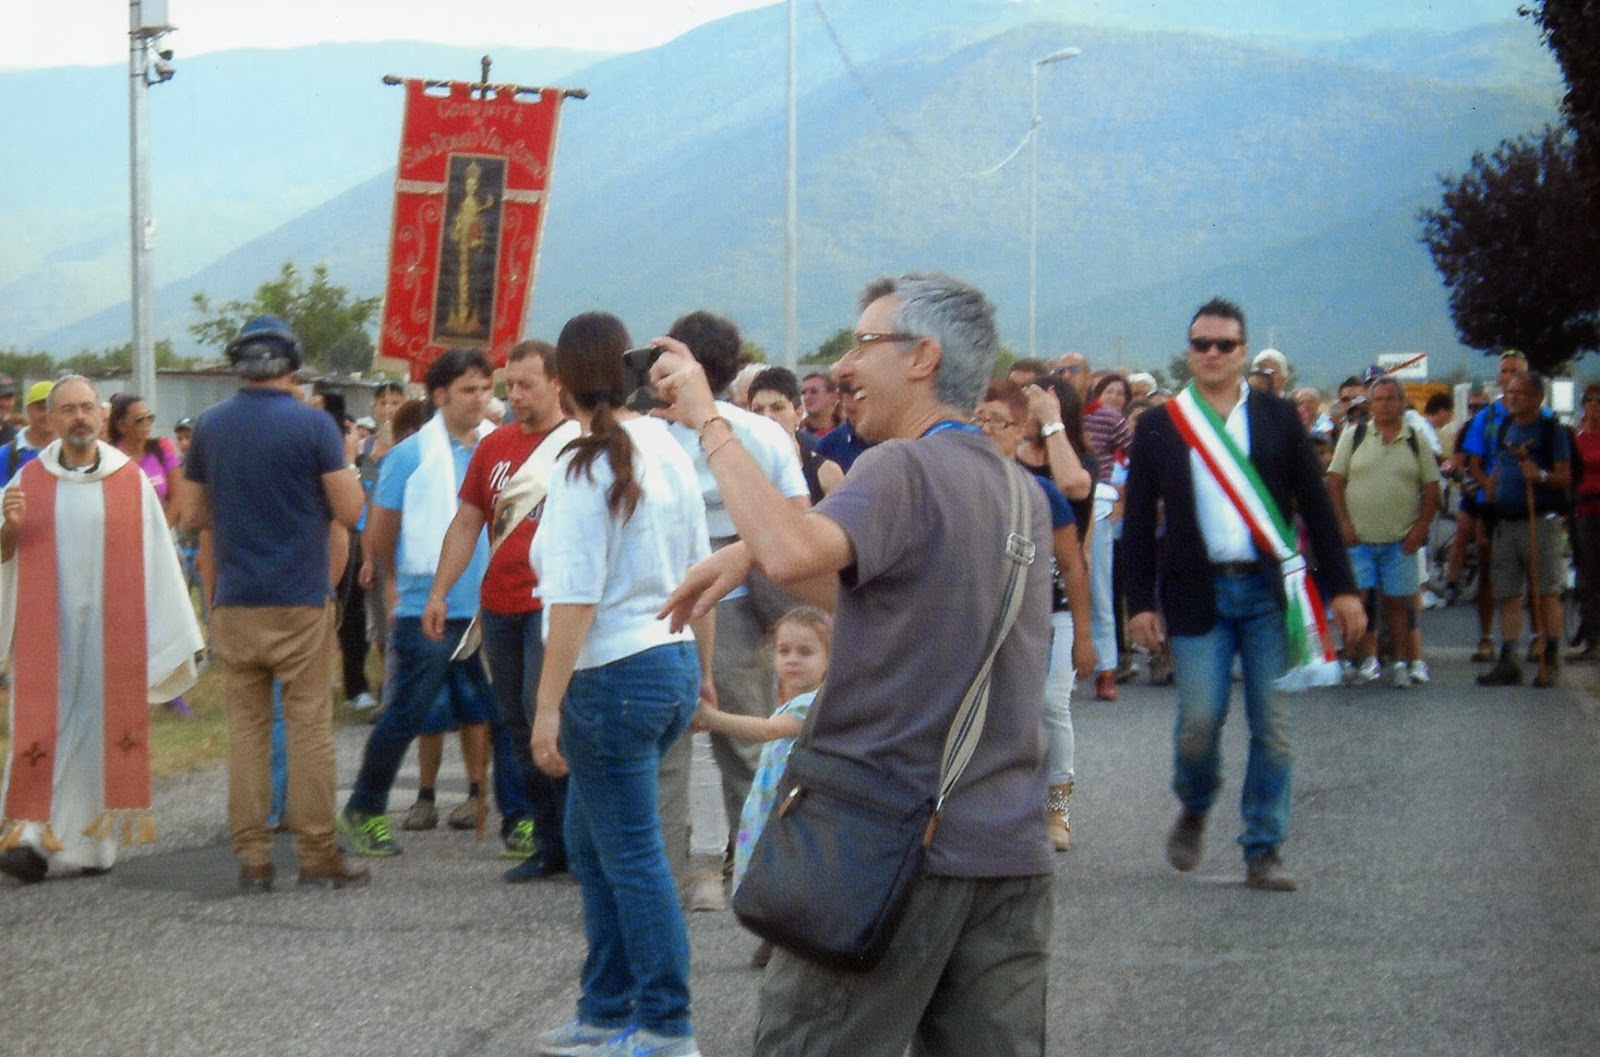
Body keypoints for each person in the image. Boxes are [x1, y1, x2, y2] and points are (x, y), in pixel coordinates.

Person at [653, 272, 1056, 1057]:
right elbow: (883, 597)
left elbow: (792, 551)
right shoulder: (1020, 493)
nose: (842, 365)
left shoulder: (902, 468)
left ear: (923, 358)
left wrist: (709, 417)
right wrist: (749, 553)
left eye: (864, 342)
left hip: (888, 843)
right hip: (1007, 849)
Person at [1124, 298, 1363, 893]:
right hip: (1195, 591)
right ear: (1188, 352)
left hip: (1266, 594)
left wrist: (1342, 589)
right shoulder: (1160, 425)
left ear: (1243, 352)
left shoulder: (1279, 417)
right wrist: (1140, 603)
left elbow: (1317, 507)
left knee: (1273, 728)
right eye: (1201, 344)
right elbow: (1137, 522)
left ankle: (1263, 848)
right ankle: (1196, 801)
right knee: (1198, 722)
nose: (1212, 353)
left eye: (1224, 345)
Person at [528, 311, 712, 1057]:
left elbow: (574, 598)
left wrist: (546, 708)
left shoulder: (582, 464)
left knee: (631, 854)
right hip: (668, 659)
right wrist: (701, 671)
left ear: (563, 384)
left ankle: (667, 1024)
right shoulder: (666, 446)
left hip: (611, 673)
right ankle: (605, 1007)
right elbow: (700, 570)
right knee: (592, 839)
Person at [184, 314, 369, 892]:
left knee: (247, 731)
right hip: (299, 599)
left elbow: (192, 515)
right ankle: (316, 854)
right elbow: (350, 511)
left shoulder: (210, 427)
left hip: (236, 599)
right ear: (292, 362)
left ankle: (253, 858)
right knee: (309, 727)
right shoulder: (313, 426)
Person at [0, 376, 204, 885]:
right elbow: (4, 553)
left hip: (111, 635)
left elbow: (158, 556)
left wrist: (170, 630)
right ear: (50, 418)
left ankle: (87, 848)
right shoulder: (28, 479)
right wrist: (9, 529)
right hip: (47, 634)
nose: (79, 417)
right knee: (40, 729)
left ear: (101, 415)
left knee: (96, 733)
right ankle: (27, 839)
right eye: (68, 409)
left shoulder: (128, 480)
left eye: (87, 407)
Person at [657, 311, 808, 909]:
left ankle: (667, 881)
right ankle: (758, 876)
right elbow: (798, 516)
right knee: (749, 748)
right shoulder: (765, 433)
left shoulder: (650, 435)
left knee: (668, 754)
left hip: (665, 607)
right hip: (747, 602)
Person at [423, 339, 580, 881]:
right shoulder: (493, 447)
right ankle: (547, 840)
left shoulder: (578, 445)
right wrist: (440, 591)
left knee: (546, 716)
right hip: (498, 603)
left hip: (550, 602)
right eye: (508, 385)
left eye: (526, 385)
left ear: (556, 384)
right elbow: (468, 522)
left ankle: (576, 841)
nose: (514, 395)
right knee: (513, 723)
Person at [339, 349, 499, 856]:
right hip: (425, 607)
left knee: (496, 713)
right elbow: (381, 532)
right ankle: (365, 807)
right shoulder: (410, 455)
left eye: (486, 388)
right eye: (468, 389)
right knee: (406, 713)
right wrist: (399, 585)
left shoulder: (497, 447)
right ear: (440, 395)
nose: (480, 399)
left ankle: (520, 819)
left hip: (486, 607)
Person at [977, 380, 1094, 850]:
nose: (986, 430)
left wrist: (1083, 636)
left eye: (997, 421)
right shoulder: (960, 486)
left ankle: (1057, 807)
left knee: (1047, 706)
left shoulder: (1042, 491)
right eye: (978, 420)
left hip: (1046, 616)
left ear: (1019, 429)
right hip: (983, 618)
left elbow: (1072, 566)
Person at [694, 605, 830, 967]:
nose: (792, 659)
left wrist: (712, 717)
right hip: (772, 799)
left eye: (806, 652)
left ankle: (784, 943)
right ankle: (776, 938)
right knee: (770, 869)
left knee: (782, 871)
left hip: (788, 804)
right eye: (784, 651)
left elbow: (768, 731)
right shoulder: (791, 698)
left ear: (829, 660)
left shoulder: (813, 704)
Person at [1325, 376, 1442, 687]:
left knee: (1399, 604)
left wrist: (1420, 529)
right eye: (1379, 399)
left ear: (1402, 403)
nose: (1385, 404)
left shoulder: (1416, 439)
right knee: (1359, 601)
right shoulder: (1354, 435)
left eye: (1391, 398)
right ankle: (1356, 660)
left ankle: (1401, 663)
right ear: (1371, 404)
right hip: (1359, 539)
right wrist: (1343, 524)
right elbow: (1334, 482)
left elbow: (1432, 489)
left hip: (1400, 542)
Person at [1476, 371, 1571, 688]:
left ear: (1537, 398)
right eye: (1510, 391)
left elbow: (1564, 476)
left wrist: (1540, 476)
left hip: (1539, 521)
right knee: (1508, 593)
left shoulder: (1551, 430)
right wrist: (1487, 503)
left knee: (1546, 592)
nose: (1513, 397)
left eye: (1521, 392)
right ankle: (1510, 660)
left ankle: (1552, 657)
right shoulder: (1506, 426)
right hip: (1506, 521)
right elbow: (1499, 467)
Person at [746, 366, 844, 503]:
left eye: (778, 408)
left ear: (798, 413)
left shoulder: (826, 473)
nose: (767, 416)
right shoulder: (739, 468)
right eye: (758, 410)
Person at [1569, 382, 1600, 662]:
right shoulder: (1576, 438)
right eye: (1589, 399)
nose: (1594, 405)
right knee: (1586, 575)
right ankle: (1591, 635)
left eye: (1599, 400)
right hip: (1584, 511)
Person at [1, 382, 57, 481]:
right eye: (42, 408)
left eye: (53, 409)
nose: (47, 414)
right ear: (28, 410)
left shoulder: (74, 452)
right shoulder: (7, 455)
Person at [798, 372, 841, 437]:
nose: (807, 397)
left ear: (833, 397)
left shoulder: (847, 433)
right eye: (803, 393)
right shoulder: (794, 431)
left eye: (814, 392)